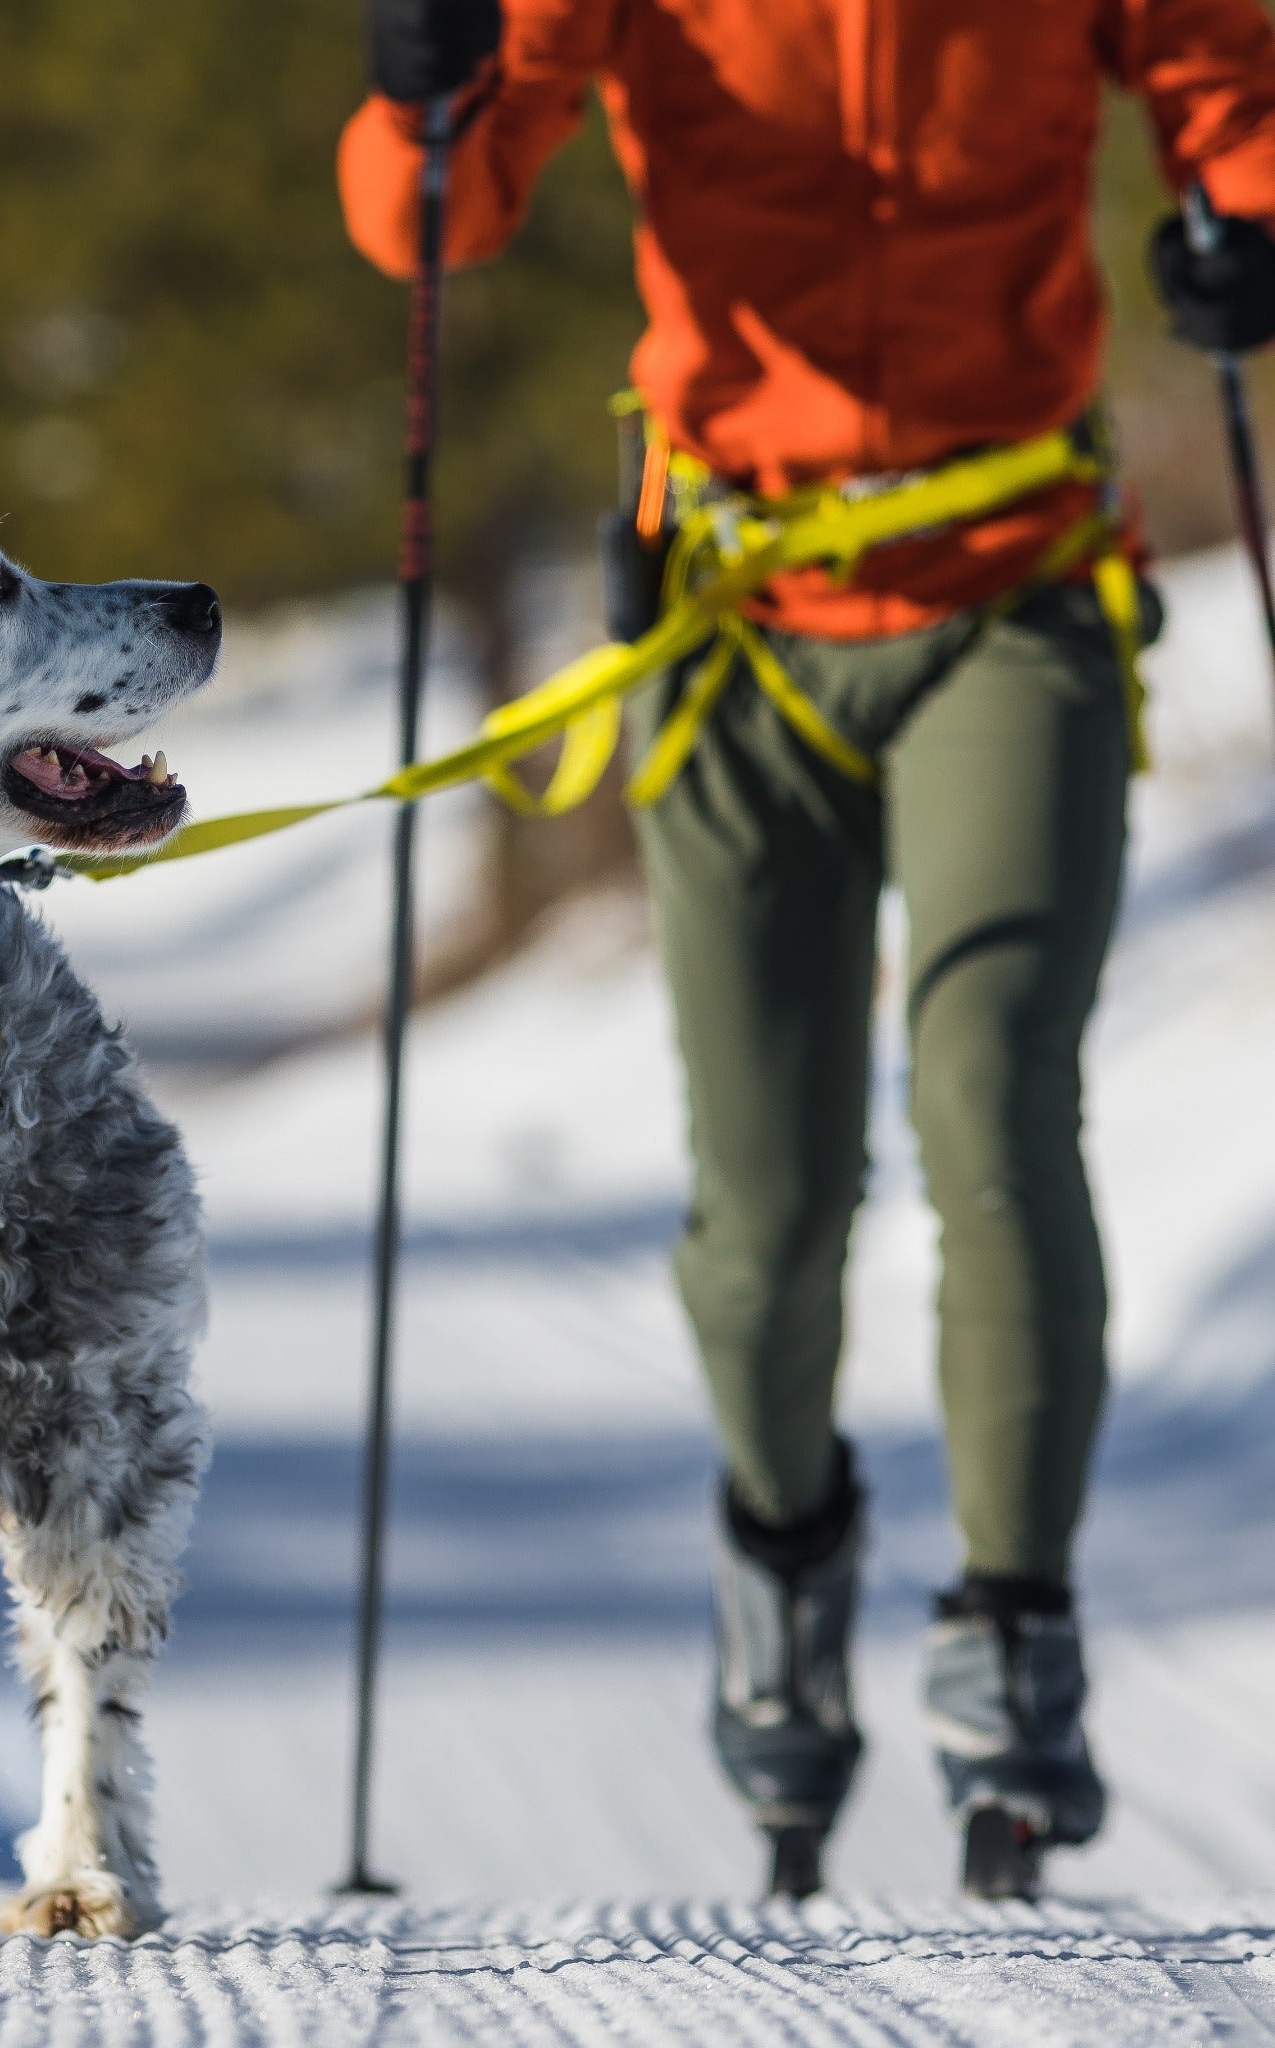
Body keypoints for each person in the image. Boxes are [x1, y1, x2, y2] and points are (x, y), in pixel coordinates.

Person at [339, 0, 1275, 1897]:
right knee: (765, 1216)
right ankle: (784, 1572)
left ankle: (1014, 1651)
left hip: (1011, 588)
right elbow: (428, 216)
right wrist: (420, 85)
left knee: (998, 1109)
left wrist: (1245, 200)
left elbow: (1218, 54)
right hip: (737, 617)